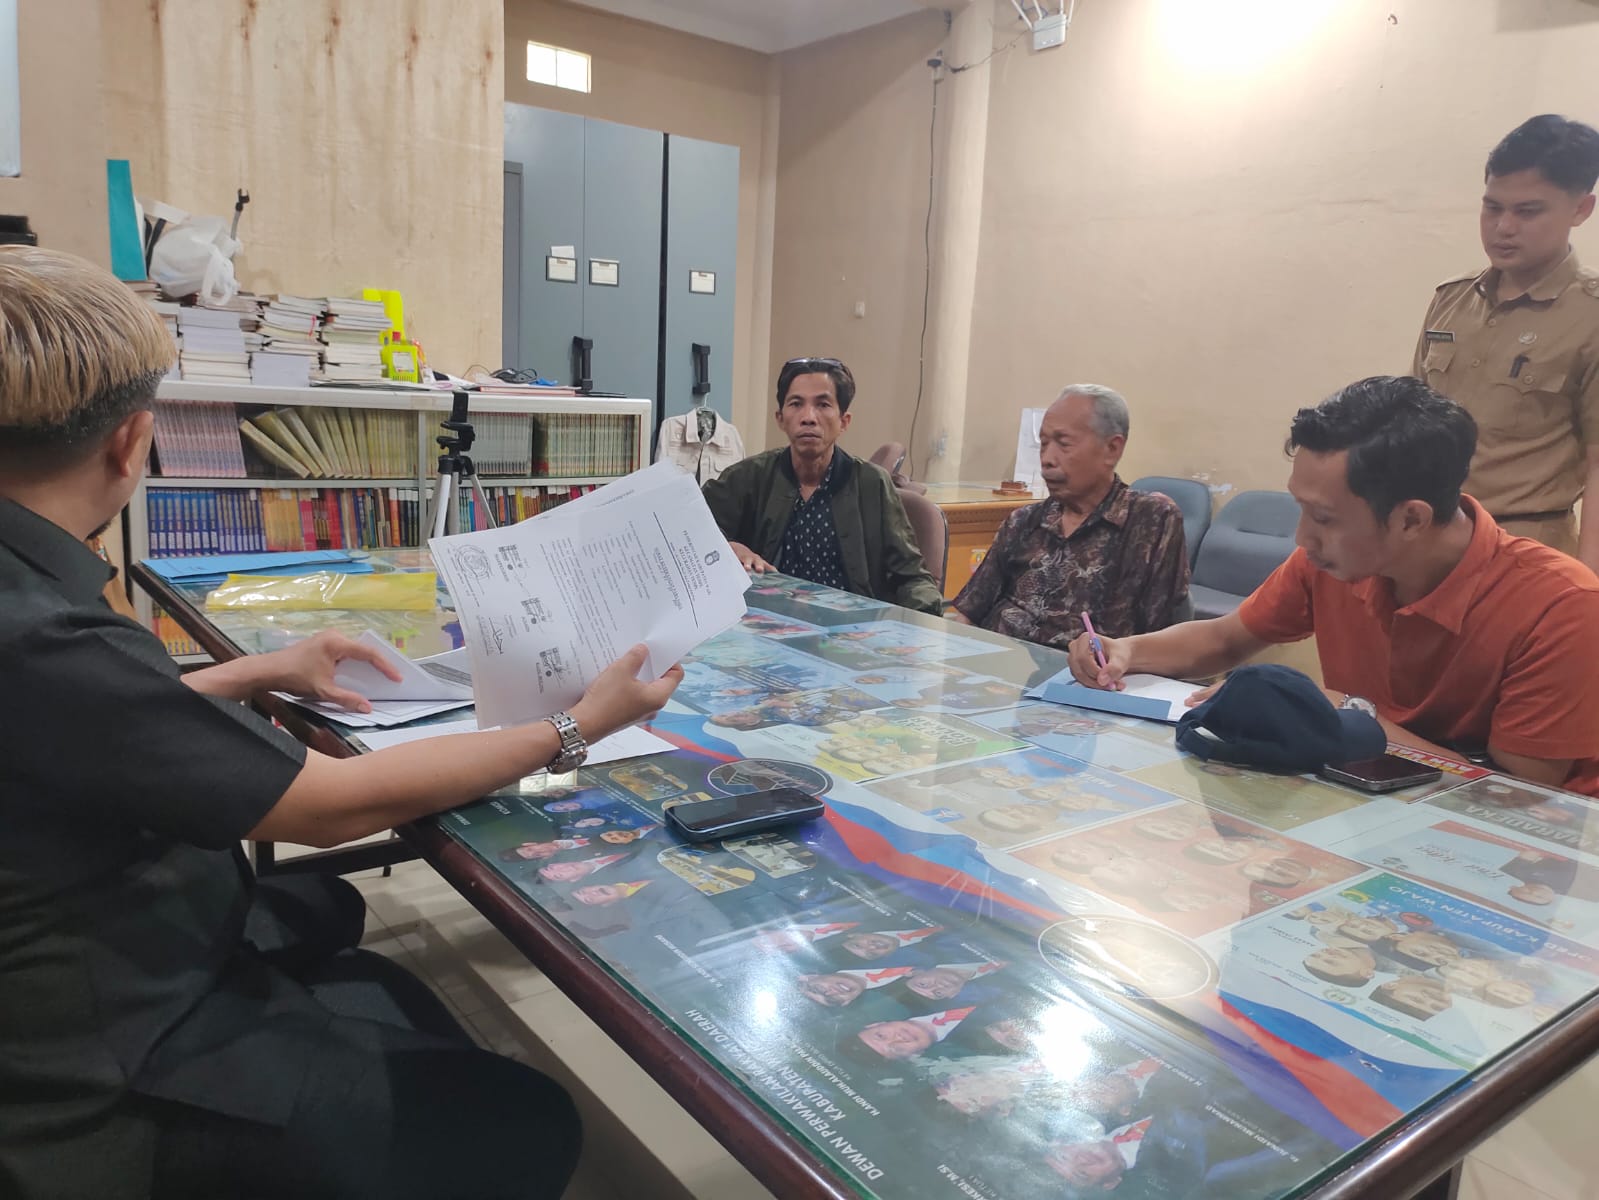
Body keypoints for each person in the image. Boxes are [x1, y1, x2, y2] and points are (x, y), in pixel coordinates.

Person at [0, 248, 685, 1198]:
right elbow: (328, 807)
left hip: (74, 965)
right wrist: (574, 727)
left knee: (329, 909)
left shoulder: (29, 604)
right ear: (132, 442)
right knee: (530, 1121)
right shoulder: (42, 633)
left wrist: (256, 670)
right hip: (102, 1066)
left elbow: (79, 724)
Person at [1066, 376, 1599, 796]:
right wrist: (1127, 650)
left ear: (1410, 519)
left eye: (1323, 518)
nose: (1302, 538)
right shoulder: (1331, 563)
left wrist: (1343, 710)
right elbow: (1225, 638)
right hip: (1366, 795)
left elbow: (1515, 795)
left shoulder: (1561, 606)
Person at [1412, 115, 1599, 569]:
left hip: (1524, 552)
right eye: (1492, 207)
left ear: (1581, 209)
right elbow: (1409, 426)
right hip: (1427, 540)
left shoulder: (1590, 315)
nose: (1503, 227)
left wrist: (1589, 584)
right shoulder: (1451, 300)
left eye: (1527, 211)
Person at [949, 385, 1191, 645]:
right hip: (999, 661)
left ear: (1112, 449)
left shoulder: (1150, 522)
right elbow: (969, 613)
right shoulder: (1023, 521)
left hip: (1082, 668)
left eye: (1063, 444)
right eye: (1043, 444)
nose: (1047, 459)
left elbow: (1162, 642)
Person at [700, 356, 943, 614]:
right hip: (764, 623)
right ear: (780, 418)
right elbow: (689, 529)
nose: (808, 417)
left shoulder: (872, 484)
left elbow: (912, 577)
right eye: (796, 404)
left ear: (844, 421)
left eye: (823, 404)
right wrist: (728, 547)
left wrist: (924, 623)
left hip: (850, 629)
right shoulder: (749, 477)